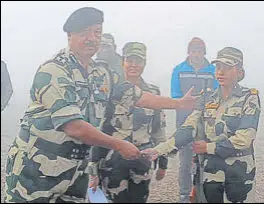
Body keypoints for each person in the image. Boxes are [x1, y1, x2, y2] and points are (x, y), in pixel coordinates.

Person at [4, 7, 197, 203]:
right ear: (70, 35)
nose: (92, 38)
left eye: (97, 32)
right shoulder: (55, 70)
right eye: (84, 32)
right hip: (36, 168)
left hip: (76, 170)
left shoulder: (101, 74)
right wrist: (119, 144)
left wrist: (179, 103)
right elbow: (74, 127)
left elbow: (138, 96)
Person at [143, 47, 261, 203]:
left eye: (227, 68)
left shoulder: (249, 98)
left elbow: (244, 138)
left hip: (238, 175)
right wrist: (160, 150)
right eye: (218, 67)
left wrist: (208, 147)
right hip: (210, 174)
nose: (221, 72)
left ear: (239, 71)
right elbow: (188, 128)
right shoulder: (206, 99)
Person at [89, 42, 168, 203]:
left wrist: (163, 164)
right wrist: (92, 168)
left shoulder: (153, 93)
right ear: (122, 62)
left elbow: (159, 130)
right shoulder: (110, 91)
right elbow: (97, 130)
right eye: (129, 60)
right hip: (112, 162)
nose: (133, 65)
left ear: (144, 63)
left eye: (138, 61)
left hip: (142, 161)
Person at [170, 37, 218, 203]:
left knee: (206, 159)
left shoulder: (213, 70)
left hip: (208, 124)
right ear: (188, 52)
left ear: (204, 52)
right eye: (193, 51)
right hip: (185, 122)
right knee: (185, 161)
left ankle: (203, 194)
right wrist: (190, 103)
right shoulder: (179, 70)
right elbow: (175, 96)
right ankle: (184, 195)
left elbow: (219, 96)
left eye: (199, 51)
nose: (196, 54)